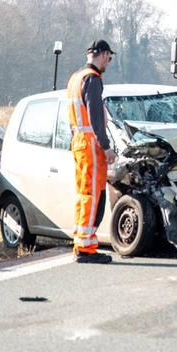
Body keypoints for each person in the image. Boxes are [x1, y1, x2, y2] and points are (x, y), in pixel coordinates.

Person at [66, 39, 117, 264]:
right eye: (109, 58)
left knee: (84, 193)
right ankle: (86, 248)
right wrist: (106, 146)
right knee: (93, 194)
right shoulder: (93, 80)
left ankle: (81, 241)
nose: (108, 62)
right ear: (104, 55)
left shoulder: (75, 79)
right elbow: (96, 117)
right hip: (91, 144)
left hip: (78, 141)